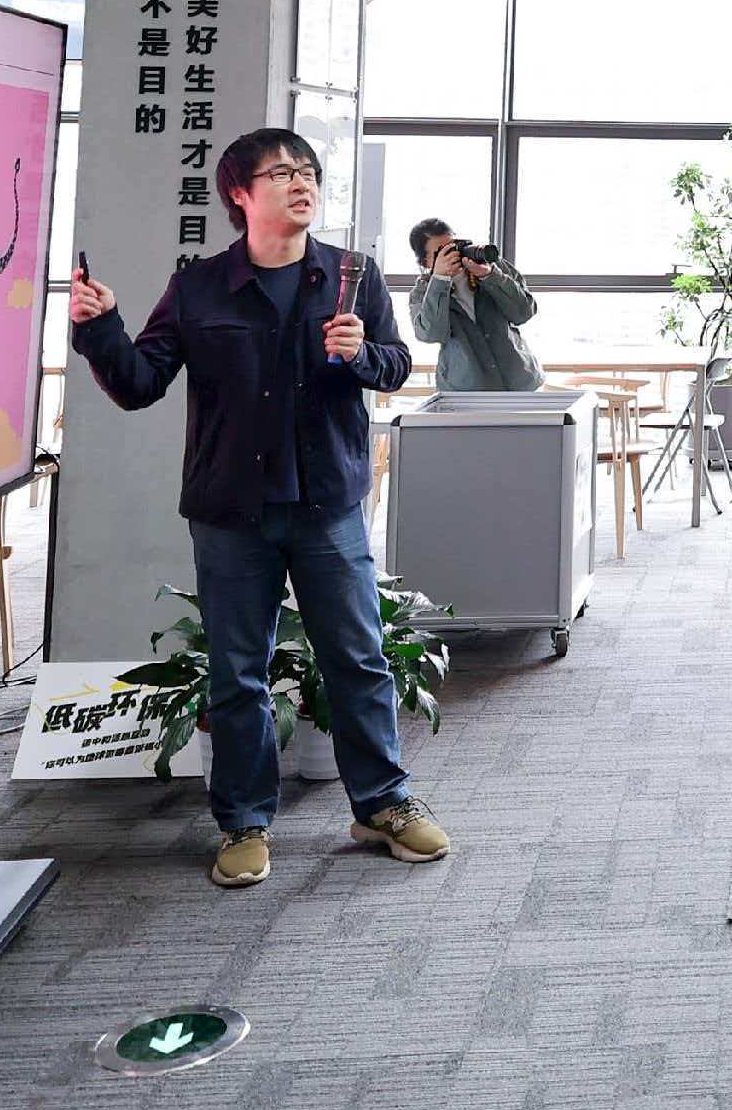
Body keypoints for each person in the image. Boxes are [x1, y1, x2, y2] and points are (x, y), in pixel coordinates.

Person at [68, 128, 450, 887]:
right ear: (240, 194)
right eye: (280, 174)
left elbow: (397, 366)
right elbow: (142, 382)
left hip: (326, 505)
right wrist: (100, 327)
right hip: (230, 510)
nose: (300, 183)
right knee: (239, 672)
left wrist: (362, 355)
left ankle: (383, 804)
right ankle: (243, 821)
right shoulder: (200, 287)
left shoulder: (351, 275)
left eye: (307, 172)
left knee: (357, 657)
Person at [402, 217, 541, 391]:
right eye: (442, 252)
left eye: (454, 246)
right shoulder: (422, 293)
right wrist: (440, 280)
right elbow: (431, 334)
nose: (453, 254)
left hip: (519, 381)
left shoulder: (492, 265)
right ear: (426, 262)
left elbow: (524, 312)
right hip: (466, 391)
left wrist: (490, 276)